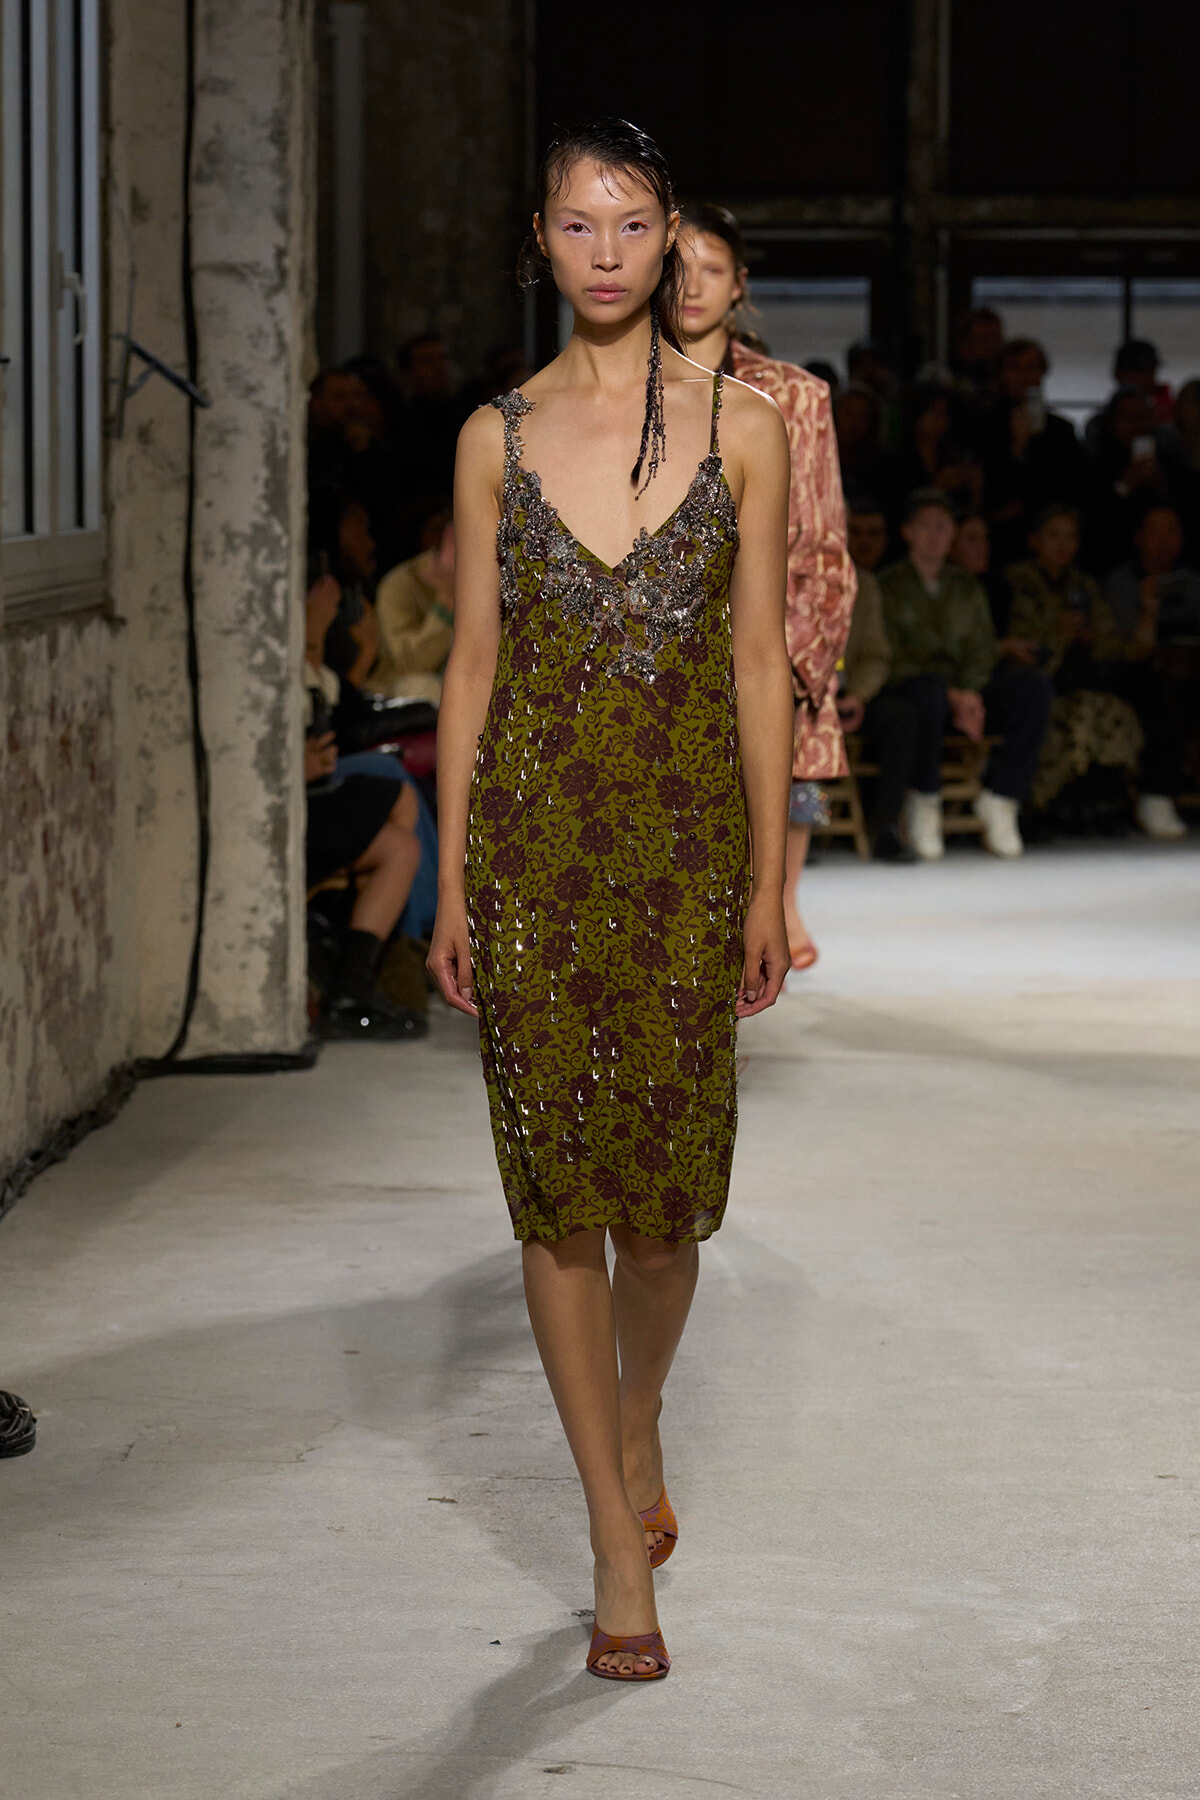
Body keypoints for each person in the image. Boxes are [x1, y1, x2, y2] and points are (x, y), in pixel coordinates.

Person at [427, 119, 792, 1683]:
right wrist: (449, 875)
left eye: (630, 225)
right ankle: (603, 1531)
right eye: (576, 225)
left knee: (663, 1211)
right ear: (542, 239)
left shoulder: (749, 430)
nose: (604, 252)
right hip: (529, 851)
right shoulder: (492, 437)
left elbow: (761, 661)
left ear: (668, 243)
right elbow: (470, 669)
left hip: (690, 850)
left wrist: (774, 875)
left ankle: (640, 1414)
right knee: (557, 1192)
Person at [676, 199, 856, 972]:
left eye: (711, 270)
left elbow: (821, 544)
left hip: (771, 630)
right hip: (662, 635)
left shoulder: (795, 397)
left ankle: (778, 900)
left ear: (739, 283)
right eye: (677, 269)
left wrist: (795, 659)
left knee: (780, 762)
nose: (692, 287)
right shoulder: (619, 390)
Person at [879, 490, 1053, 859]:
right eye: (926, 527)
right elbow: (890, 654)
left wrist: (969, 691)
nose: (935, 535)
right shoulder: (888, 585)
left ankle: (1002, 796)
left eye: (944, 527)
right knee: (927, 692)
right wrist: (951, 693)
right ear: (908, 531)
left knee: (1032, 686)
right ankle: (924, 799)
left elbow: (983, 647)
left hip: (966, 693)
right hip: (917, 691)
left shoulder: (966, 586)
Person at [304, 573, 429, 1040]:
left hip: (315, 790)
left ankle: (356, 979)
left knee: (400, 842)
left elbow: (333, 699)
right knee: (394, 796)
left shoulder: (316, 664)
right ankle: (380, 956)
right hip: (276, 809)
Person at [1005, 506, 1143, 829]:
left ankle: (1098, 803)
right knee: (1077, 715)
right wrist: (1058, 635)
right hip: (1033, 683)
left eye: (1070, 536)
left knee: (1110, 713)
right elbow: (1019, 643)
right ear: (1034, 540)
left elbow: (1113, 642)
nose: (1062, 544)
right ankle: (1035, 805)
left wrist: (1090, 637)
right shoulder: (1018, 582)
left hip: (1082, 679)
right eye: (1053, 535)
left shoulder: (1085, 585)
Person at [1102, 503, 1200, 839]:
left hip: (1188, 672)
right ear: (1139, 538)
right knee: (1163, 685)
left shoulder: (1191, 583)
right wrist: (1149, 612)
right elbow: (1130, 649)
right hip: (1133, 674)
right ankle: (1156, 795)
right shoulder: (1122, 583)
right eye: (1155, 531)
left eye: (1172, 530)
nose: (1164, 540)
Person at [838, 505, 918, 861]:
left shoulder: (864, 584)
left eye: (873, 533)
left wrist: (857, 696)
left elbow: (875, 654)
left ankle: (885, 827)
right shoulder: (791, 574)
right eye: (856, 531)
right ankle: (794, 830)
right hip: (799, 693)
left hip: (849, 693)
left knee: (902, 715)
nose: (864, 542)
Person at [976, 338, 1085, 570]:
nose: (1024, 376)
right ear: (1002, 374)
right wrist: (1016, 447)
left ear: (1042, 372)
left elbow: (1073, 487)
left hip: (1055, 541)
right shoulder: (984, 425)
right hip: (1004, 544)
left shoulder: (1061, 430)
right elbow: (989, 491)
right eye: (1015, 368)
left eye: (1031, 367)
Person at [367, 512, 457, 704]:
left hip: (463, 682)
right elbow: (412, 663)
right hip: (396, 691)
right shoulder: (400, 585)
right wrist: (447, 603)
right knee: (424, 688)